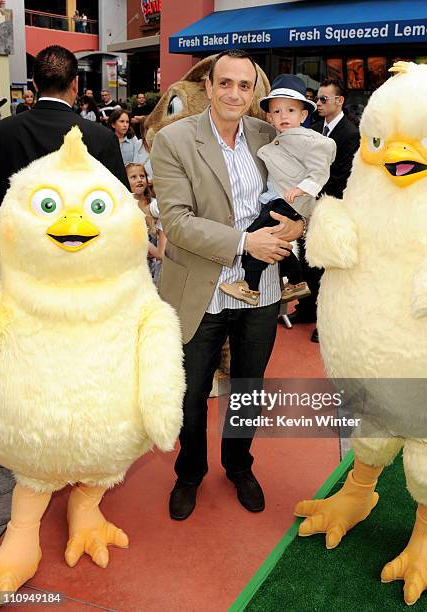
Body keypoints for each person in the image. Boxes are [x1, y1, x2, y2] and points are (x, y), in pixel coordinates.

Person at [152, 49, 304, 520]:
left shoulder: (269, 135)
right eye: (225, 83)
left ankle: (239, 465)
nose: (234, 93)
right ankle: (190, 472)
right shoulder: (174, 140)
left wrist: (298, 227)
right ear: (209, 86)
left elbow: (302, 192)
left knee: (248, 386)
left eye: (244, 85)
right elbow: (176, 222)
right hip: (203, 288)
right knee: (192, 392)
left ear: (254, 90)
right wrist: (245, 243)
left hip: (262, 290)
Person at [219, 74, 335, 306]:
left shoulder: (310, 140)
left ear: (304, 115)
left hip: (286, 201)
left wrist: (302, 189)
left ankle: (250, 287)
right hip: (276, 199)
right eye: (277, 111)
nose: (283, 116)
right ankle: (296, 281)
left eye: (290, 111)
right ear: (269, 117)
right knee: (275, 243)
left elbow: (319, 171)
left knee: (254, 238)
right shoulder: (278, 139)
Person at [0, 45, 129, 215]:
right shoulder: (101, 137)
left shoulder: (1, 132)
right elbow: (121, 205)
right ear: (75, 83)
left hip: (12, 236)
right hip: (81, 237)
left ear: (35, 84)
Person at [289, 78, 360, 341]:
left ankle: (327, 322)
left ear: (339, 101)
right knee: (308, 261)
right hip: (309, 205)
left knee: (328, 267)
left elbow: (343, 175)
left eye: (323, 99)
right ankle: (306, 309)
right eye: (316, 98)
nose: (317, 103)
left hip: (334, 206)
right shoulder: (315, 129)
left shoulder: (351, 134)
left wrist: (309, 187)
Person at [126, 162, 165, 285]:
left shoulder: (154, 204)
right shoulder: (126, 203)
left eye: (142, 176)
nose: (139, 180)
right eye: (133, 177)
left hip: (152, 258)